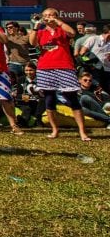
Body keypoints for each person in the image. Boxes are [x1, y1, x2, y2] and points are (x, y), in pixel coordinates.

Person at [29, 8, 90, 141]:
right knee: (49, 99)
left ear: (56, 16)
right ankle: (55, 130)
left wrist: (57, 21)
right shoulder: (40, 32)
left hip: (64, 66)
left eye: (50, 15)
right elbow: (32, 42)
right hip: (45, 68)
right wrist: (35, 26)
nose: (47, 17)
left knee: (72, 98)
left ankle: (82, 132)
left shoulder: (62, 29)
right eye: (45, 16)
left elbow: (72, 33)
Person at [79, 24, 110, 92]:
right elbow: (82, 53)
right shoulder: (94, 38)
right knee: (96, 89)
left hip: (107, 70)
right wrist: (89, 65)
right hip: (94, 70)